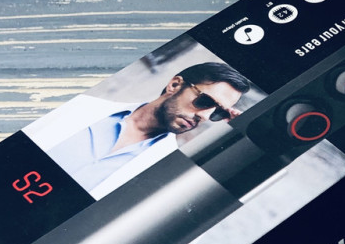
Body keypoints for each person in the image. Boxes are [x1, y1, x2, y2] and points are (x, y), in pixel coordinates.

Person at [43, 62, 250, 196]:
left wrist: (237, 142)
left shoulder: (166, 174)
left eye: (217, 113)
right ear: (175, 85)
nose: (204, 116)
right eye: (205, 101)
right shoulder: (79, 107)